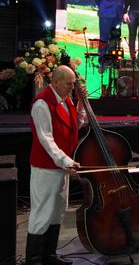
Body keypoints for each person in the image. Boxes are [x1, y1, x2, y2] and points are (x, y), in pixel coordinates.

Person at [26, 65, 86, 265]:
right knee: (42, 213)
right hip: (46, 168)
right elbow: (47, 140)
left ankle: (49, 255)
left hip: (60, 167)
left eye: (73, 84)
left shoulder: (66, 100)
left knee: (58, 210)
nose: (72, 88)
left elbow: (75, 126)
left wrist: (81, 105)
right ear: (56, 82)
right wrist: (66, 160)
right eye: (69, 84)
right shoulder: (42, 104)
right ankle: (33, 259)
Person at [92, 0, 127, 66]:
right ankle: (102, 60)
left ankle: (113, 59)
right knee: (104, 38)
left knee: (115, 38)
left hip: (118, 14)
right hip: (106, 13)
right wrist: (102, 6)